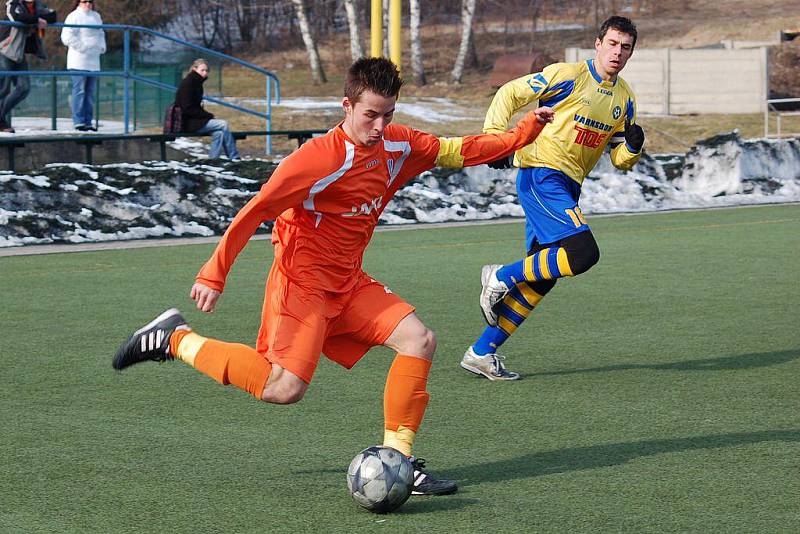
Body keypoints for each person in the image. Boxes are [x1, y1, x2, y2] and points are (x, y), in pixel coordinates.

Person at [113, 57, 553, 495]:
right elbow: (257, 210)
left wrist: (523, 133)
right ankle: (174, 339)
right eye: (370, 115)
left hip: (349, 281)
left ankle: (398, 461)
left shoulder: (398, 144)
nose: (380, 126)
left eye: (388, 115)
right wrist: (215, 272)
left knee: (419, 340)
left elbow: (458, 150)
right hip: (301, 285)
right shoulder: (318, 158)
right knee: (282, 388)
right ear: (347, 106)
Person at [460, 16, 645, 381]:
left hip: (568, 186)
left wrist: (634, 147)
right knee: (583, 254)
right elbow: (508, 93)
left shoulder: (624, 99)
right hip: (541, 175)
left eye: (625, 47)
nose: (618, 52)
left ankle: (481, 352)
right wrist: (495, 138)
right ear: (597, 43)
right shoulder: (567, 74)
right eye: (612, 43)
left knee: (543, 276)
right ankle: (499, 275)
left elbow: (620, 159)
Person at [0, 0, 57, 133]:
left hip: (19, 54)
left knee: (24, 88)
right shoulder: (13, 4)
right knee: (3, 89)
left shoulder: (38, 6)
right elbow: (17, 17)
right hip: (5, 50)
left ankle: (0, 117)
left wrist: (38, 19)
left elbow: (53, 16)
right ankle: (1, 121)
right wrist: (38, 20)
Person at [174, 58, 239, 160]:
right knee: (223, 124)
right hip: (187, 123)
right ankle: (234, 157)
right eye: (202, 70)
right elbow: (187, 108)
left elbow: (195, 107)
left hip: (195, 121)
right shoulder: (188, 83)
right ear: (194, 69)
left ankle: (213, 159)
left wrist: (206, 116)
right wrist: (208, 116)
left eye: (206, 70)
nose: (205, 73)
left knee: (219, 133)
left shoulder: (196, 82)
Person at [61, 0, 106, 131]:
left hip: (94, 60)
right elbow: (66, 36)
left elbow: (101, 33)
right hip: (78, 60)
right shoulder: (73, 16)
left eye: (90, 1)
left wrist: (102, 47)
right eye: (84, 1)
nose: (87, 4)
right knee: (79, 91)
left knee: (90, 93)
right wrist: (83, 47)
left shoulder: (96, 16)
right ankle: (78, 121)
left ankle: (88, 121)